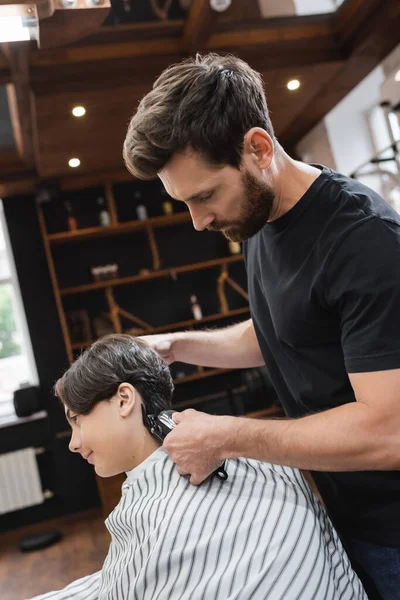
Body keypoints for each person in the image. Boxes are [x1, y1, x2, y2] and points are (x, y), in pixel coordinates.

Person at [123, 53, 400, 599]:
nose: (199, 221)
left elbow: (389, 431)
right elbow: (281, 329)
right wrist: (178, 345)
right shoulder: (259, 218)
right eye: (184, 203)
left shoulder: (367, 244)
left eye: (203, 196)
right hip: (346, 511)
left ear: (258, 148)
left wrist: (231, 436)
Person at [29, 334, 365, 600]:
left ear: (123, 399)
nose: (73, 443)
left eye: (77, 420)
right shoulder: (267, 460)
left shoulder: (150, 519)